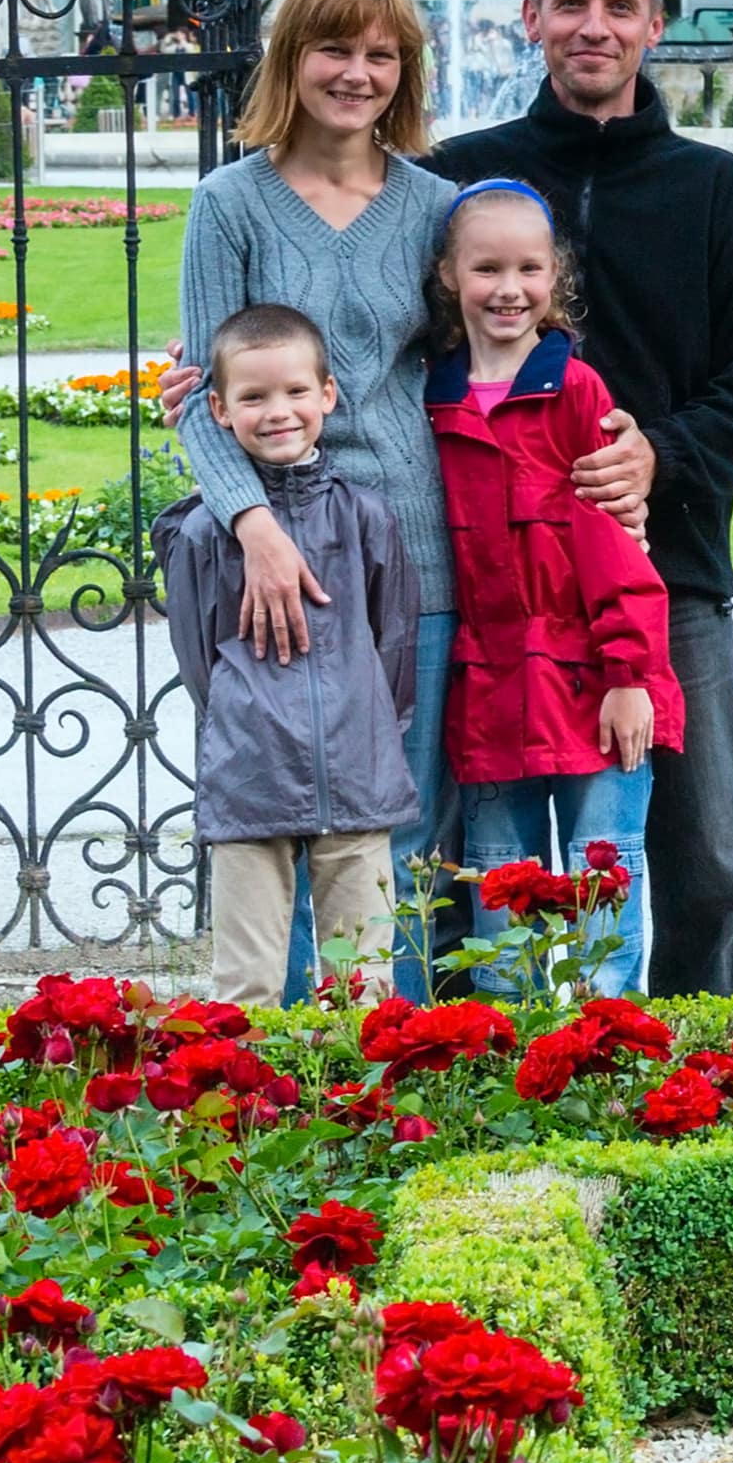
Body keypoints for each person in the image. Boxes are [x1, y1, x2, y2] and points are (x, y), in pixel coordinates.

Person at [429, 0, 733, 995]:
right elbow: (379, 337)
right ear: (530, 18)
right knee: (475, 857)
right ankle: (473, 1061)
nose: (594, 26)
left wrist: (662, 456)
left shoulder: (715, 191)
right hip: (487, 587)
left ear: (651, 24)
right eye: (570, 4)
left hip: (663, 572)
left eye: (620, 7)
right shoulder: (462, 178)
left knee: (707, 853)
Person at [174, 0, 463, 996]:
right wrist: (254, 527)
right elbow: (203, 399)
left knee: (399, 823)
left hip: (410, 553)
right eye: (334, 48)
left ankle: (396, 1056)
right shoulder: (232, 204)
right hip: (276, 566)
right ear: (292, 56)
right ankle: (283, 1075)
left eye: (381, 54)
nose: (357, 73)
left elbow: (494, 352)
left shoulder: (437, 205)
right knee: (277, 820)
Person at [416, 179, 678, 997]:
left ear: (553, 276)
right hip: (490, 692)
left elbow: (614, 551)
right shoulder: (429, 398)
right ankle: (513, 1075)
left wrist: (630, 676)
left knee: (604, 887)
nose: (508, 288)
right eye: (486, 267)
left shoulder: (575, 392)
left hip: (595, 682)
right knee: (503, 894)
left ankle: (612, 1063)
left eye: (529, 268)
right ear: (449, 276)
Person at [162, 303, 419, 1003]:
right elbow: (199, 661)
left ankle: (356, 1107)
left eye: (295, 391)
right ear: (217, 408)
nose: (278, 411)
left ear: (327, 395)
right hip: (252, 773)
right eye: (253, 396)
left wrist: (365, 725)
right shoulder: (204, 532)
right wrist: (248, 717)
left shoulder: (365, 514)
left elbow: (391, 636)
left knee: (361, 985)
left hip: (357, 771)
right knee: (246, 984)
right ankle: (251, 1110)